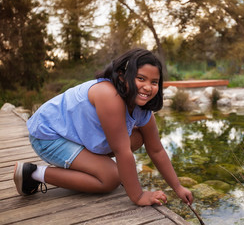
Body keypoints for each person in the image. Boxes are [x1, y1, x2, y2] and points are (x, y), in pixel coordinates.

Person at [13, 48, 193, 206]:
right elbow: (122, 151)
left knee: (138, 138)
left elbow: (156, 150)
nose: (147, 87)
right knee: (111, 178)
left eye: (154, 82)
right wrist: (138, 195)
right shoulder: (109, 95)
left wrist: (177, 187)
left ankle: (93, 165)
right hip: (49, 136)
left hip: (75, 136)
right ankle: (33, 173)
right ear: (122, 76)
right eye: (141, 78)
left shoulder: (142, 108)